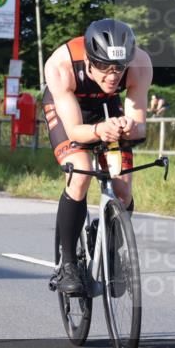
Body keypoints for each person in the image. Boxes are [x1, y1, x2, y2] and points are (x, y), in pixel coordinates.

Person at [42, 19, 153, 295]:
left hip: (107, 108)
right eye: (104, 68)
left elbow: (139, 123)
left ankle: (110, 248)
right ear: (89, 61)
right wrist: (99, 130)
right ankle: (67, 263)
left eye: (119, 68)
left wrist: (128, 126)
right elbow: (76, 132)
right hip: (70, 112)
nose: (113, 77)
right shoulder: (61, 66)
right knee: (80, 172)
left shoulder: (139, 63)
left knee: (123, 189)